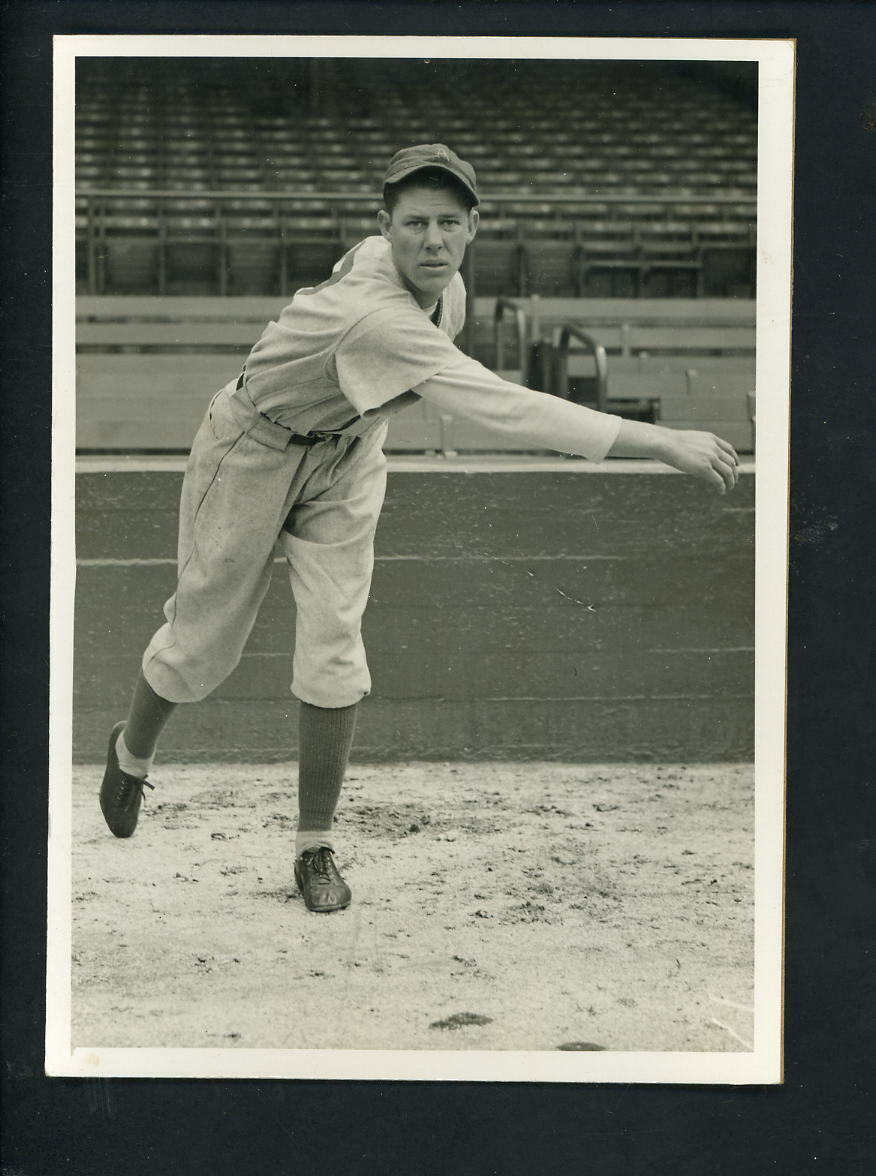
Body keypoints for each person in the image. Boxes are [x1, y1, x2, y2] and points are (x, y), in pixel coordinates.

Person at [99, 143, 739, 913]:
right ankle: (132, 753)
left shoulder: (442, 288)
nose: (430, 241)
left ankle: (314, 845)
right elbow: (511, 408)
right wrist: (661, 441)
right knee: (203, 645)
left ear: (474, 227)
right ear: (386, 227)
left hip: (347, 450)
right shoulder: (378, 316)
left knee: (335, 639)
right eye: (412, 225)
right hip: (253, 444)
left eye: (447, 223)